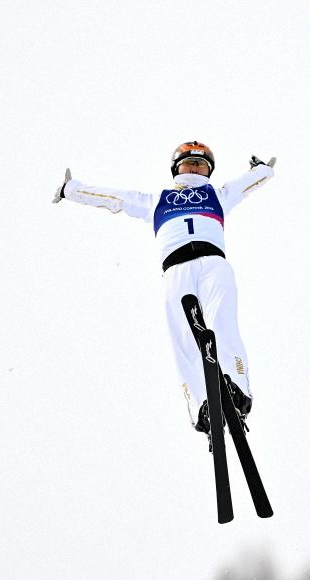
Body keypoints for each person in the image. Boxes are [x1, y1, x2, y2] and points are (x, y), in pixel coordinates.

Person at [53, 141, 275, 438]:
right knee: (184, 337)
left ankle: (237, 389)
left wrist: (262, 170)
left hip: (213, 263)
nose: (195, 168)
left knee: (222, 322)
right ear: (176, 169)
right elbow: (115, 198)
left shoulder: (218, 195)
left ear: (208, 170)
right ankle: (202, 407)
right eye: (189, 163)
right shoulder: (157, 200)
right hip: (176, 270)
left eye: (201, 164)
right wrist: (70, 189)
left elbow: (247, 184)